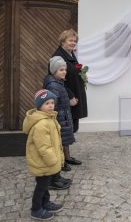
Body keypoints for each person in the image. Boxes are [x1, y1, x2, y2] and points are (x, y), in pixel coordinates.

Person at [23, 89, 64, 220]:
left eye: (52, 102)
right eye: (47, 103)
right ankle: (36, 209)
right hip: (43, 162)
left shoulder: (50, 119)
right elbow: (44, 147)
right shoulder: (41, 124)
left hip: (45, 162)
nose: (51, 105)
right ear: (39, 106)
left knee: (44, 185)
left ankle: (45, 203)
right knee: (41, 187)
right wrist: (53, 160)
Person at [50, 29, 88, 166]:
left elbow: (71, 72)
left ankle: (65, 156)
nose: (73, 43)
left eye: (75, 41)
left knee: (70, 127)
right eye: (70, 40)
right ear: (62, 42)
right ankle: (62, 159)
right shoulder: (58, 56)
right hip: (66, 99)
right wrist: (70, 96)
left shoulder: (70, 54)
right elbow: (56, 79)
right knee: (65, 127)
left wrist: (82, 77)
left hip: (74, 96)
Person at [44, 56, 75, 173]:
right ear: (54, 71)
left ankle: (66, 158)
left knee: (64, 140)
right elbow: (52, 105)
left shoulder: (59, 83)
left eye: (65, 70)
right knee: (58, 142)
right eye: (61, 70)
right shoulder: (53, 85)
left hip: (64, 116)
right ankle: (60, 163)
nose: (64, 72)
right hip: (59, 118)